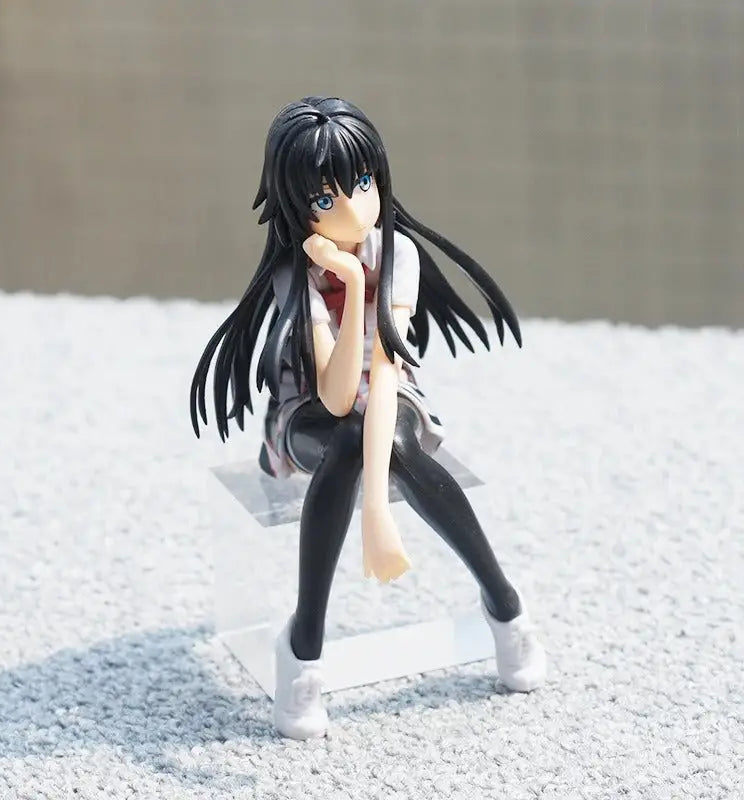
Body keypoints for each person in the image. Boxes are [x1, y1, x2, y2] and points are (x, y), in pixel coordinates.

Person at [190, 96, 546, 740]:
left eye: (362, 183)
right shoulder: (296, 273)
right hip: (306, 409)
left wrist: (377, 509)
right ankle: (305, 646)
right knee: (347, 434)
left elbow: (382, 373)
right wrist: (353, 284)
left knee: (383, 439)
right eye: (325, 199)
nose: (354, 210)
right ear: (297, 207)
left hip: (389, 394)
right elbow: (332, 396)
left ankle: (503, 605)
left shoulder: (398, 253)